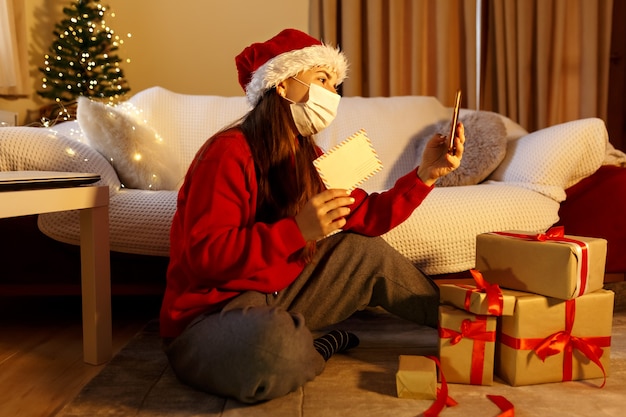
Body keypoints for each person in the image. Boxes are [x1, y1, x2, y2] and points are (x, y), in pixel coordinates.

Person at [160, 28, 465, 404]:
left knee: (361, 250)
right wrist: (296, 231)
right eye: (322, 79)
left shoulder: (310, 157)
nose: (332, 95)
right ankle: (314, 347)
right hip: (212, 314)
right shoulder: (227, 153)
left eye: (336, 86)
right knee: (274, 349)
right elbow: (205, 256)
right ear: (283, 85)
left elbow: (368, 216)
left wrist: (425, 175)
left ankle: (468, 324)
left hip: (277, 295)